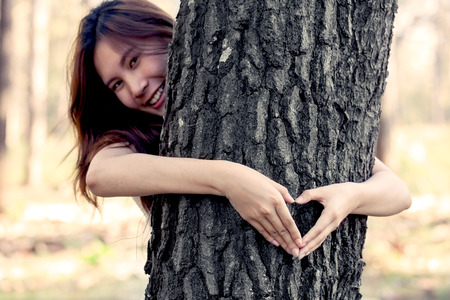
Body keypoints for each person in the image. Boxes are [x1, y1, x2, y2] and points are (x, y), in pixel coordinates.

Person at [68, 0, 411, 260]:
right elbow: (100, 173)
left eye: (133, 61)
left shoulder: (240, 84)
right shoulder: (141, 136)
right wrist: (227, 179)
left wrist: (351, 198)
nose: (136, 87)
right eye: (116, 84)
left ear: (163, 32)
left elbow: (397, 192)